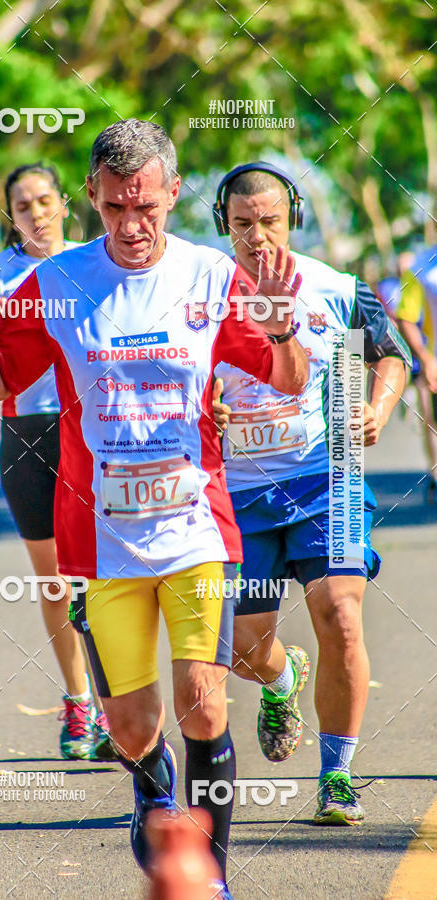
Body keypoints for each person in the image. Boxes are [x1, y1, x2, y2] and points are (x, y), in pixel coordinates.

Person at [0, 120, 309, 898]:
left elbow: (288, 379)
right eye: (113, 209)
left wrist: (280, 328)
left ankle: (208, 878)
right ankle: (154, 794)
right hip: (100, 542)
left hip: (198, 530)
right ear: (94, 201)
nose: (132, 227)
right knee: (136, 730)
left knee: (203, 707)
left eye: (146, 207)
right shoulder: (59, 283)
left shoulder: (213, 276)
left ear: (173, 194)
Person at [211, 162, 410, 826]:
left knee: (341, 616)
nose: (258, 237)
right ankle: (281, 677)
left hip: (327, 478)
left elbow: (392, 353)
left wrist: (378, 405)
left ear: (291, 215)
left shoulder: (336, 287)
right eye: (243, 224)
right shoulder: (202, 295)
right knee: (243, 649)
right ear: (224, 224)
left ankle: (337, 776)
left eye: (270, 221)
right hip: (240, 494)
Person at [0, 162, 113, 762]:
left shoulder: (96, 261)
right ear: (10, 216)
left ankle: (117, 703)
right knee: (54, 581)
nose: (37, 213)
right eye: (23, 206)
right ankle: (80, 706)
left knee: (100, 575)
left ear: (66, 203)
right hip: (26, 435)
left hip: (95, 430)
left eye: (45, 200)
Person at [396, 245, 437, 501]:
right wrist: (426, 358)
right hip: (435, 359)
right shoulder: (421, 267)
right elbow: (406, 317)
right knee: (432, 424)